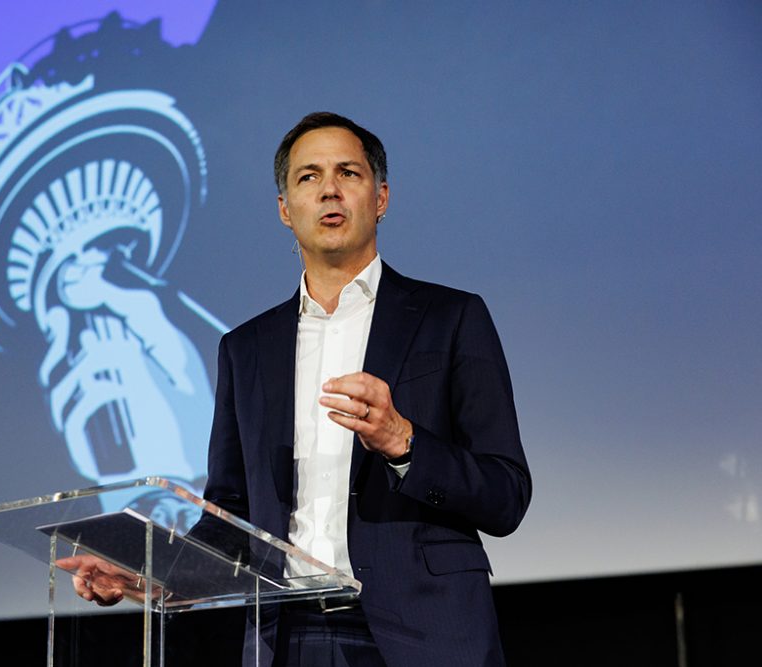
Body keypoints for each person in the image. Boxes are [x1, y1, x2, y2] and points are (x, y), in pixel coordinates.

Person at [60, 112, 531, 666]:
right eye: (308, 177)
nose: (329, 189)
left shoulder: (451, 318)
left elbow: (506, 495)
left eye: (348, 173)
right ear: (285, 210)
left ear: (381, 197)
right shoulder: (246, 349)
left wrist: (405, 442)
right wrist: (147, 573)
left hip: (427, 634)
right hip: (289, 637)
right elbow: (230, 517)